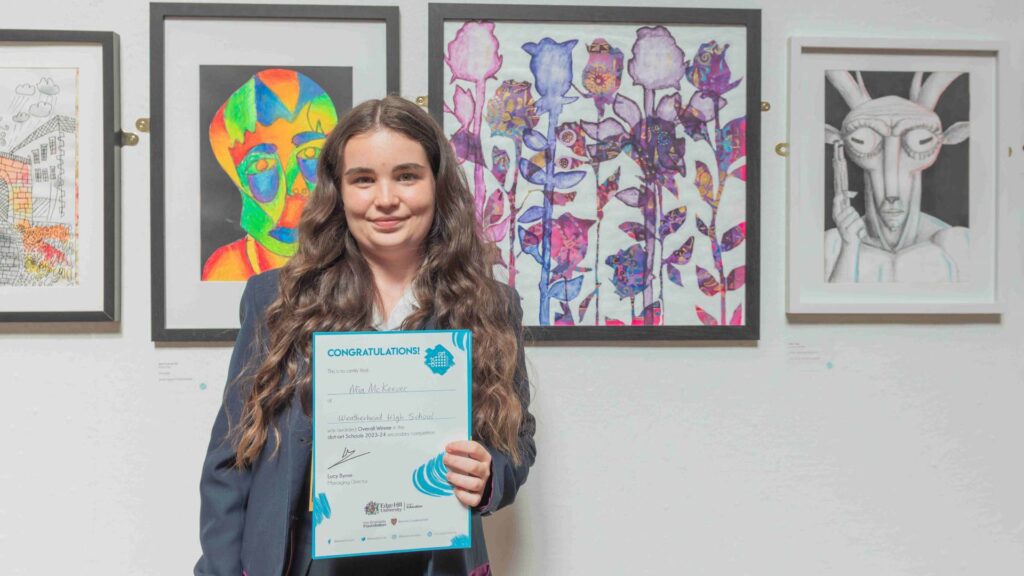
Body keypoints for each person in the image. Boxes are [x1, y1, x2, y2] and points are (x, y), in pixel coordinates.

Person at [195, 96, 536, 576]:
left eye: (406, 176)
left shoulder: (491, 305)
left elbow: (516, 441)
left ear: (437, 185)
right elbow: (230, 460)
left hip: (437, 562)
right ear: (338, 191)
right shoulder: (276, 300)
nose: (385, 199)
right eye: (363, 180)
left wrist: (487, 476)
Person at [203, 68, 339, 281]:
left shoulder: (357, 263)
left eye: (310, 153)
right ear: (235, 179)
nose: (293, 187)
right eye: (261, 165)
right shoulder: (225, 269)